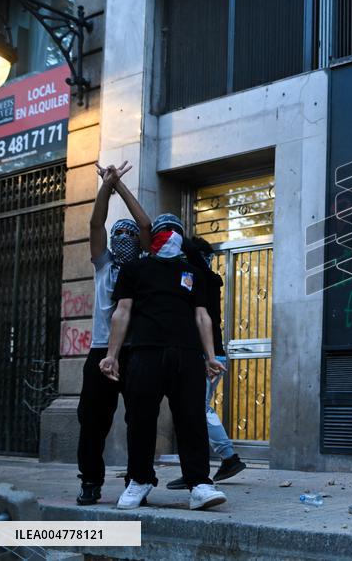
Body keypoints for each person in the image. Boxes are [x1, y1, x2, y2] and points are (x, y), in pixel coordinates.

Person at [99, 213, 228, 511]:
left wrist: (210, 356)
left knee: (192, 419)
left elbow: (202, 315)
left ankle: (199, 484)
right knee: (141, 419)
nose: (169, 236)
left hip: (187, 354)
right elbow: (122, 312)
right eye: (163, 231)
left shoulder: (192, 272)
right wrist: (112, 355)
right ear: (153, 237)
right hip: (146, 352)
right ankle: (140, 480)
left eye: (174, 232)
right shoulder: (135, 269)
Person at [76, 161, 152, 506]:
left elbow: (146, 224)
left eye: (128, 234)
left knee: (139, 420)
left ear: (137, 243)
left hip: (135, 352)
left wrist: (120, 185)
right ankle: (90, 481)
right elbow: (95, 224)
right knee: (92, 421)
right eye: (116, 233)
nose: (122, 237)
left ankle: (137, 482)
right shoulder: (103, 265)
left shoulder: (143, 267)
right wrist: (105, 186)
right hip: (100, 351)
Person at [166, 236, 246, 490]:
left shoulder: (202, 276)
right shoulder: (205, 279)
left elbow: (193, 254)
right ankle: (201, 466)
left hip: (205, 355)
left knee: (197, 409)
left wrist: (172, 232)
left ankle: (227, 457)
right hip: (207, 354)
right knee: (194, 408)